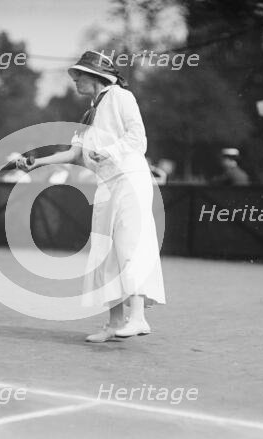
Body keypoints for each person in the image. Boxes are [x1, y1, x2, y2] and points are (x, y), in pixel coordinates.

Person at [17, 50, 165, 342]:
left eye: (79, 76)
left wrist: (108, 151)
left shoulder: (123, 97)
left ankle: (138, 318)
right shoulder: (89, 113)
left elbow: (138, 138)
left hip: (130, 178)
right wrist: (37, 162)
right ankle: (114, 324)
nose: (75, 81)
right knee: (104, 251)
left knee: (130, 244)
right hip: (106, 183)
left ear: (96, 75)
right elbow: (73, 154)